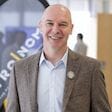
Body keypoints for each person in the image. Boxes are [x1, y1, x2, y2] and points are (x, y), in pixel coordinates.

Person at [6, 4, 111, 112]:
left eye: (62, 24)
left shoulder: (91, 69)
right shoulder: (20, 69)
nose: (55, 30)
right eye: (50, 23)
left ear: (71, 28)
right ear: (40, 26)